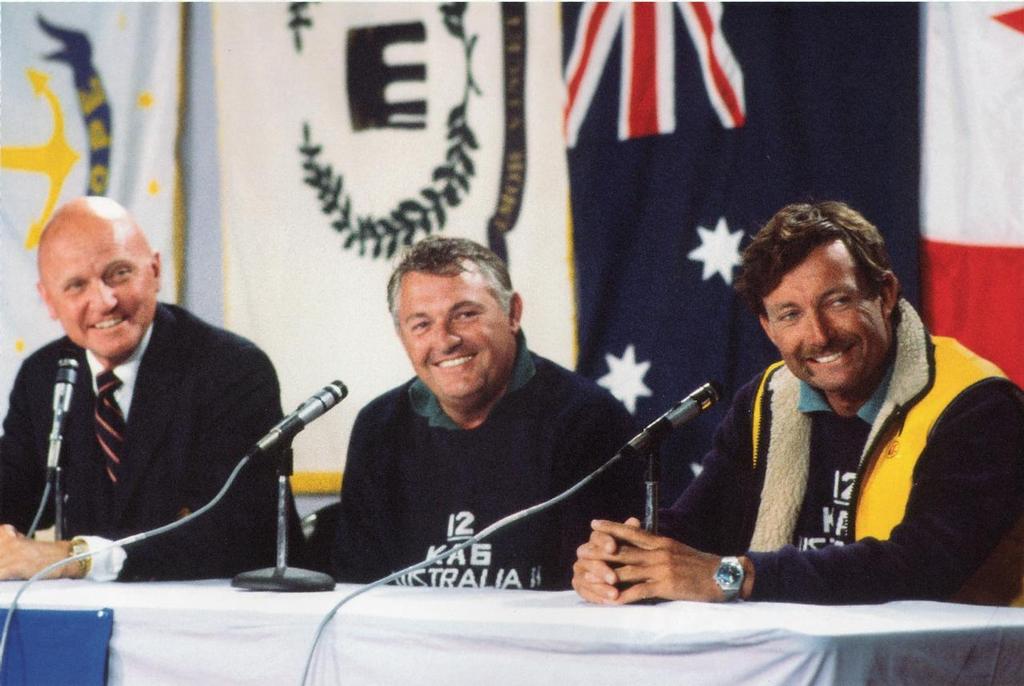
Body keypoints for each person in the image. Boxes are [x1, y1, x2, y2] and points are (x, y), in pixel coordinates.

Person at [573, 201, 1024, 606]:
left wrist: (735, 576)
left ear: (885, 295)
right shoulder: (766, 401)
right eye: (790, 314)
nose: (820, 334)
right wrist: (623, 561)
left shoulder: (978, 403)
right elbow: (696, 526)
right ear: (768, 328)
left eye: (838, 301)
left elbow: (923, 566)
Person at [0, 196, 296, 581]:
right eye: (76, 286)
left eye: (119, 274)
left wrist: (75, 557)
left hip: (215, 615)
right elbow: (12, 492)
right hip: (92, 620)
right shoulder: (44, 375)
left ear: (155, 271)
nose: (105, 301)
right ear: (48, 301)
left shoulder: (231, 369)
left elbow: (232, 532)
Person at [333, 236, 640, 590]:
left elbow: (599, 586)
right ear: (401, 336)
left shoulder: (587, 419)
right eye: (421, 324)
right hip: (406, 642)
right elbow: (355, 587)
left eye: (464, 315)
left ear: (512, 314)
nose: (445, 339)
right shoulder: (379, 427)